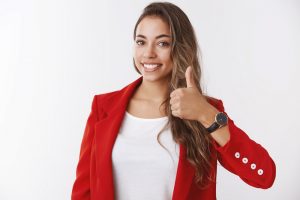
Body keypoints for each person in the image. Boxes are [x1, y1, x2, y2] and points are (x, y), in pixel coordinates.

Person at [71, 2, 276, 200]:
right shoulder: (104, 108)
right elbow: (83, 192)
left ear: (180, 48)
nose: (148, 53)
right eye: (141, 42)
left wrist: (205, 114)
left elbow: (263, 176)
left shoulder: (206, 111)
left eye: (162, 43)